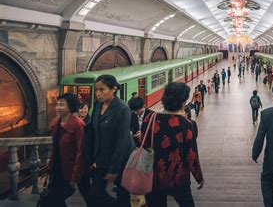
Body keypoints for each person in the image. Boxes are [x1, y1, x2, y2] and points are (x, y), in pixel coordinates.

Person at [142, 82, 204, 206]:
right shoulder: (186, 124)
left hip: (154, 176)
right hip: (178, 177)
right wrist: (199, 177)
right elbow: (191, 155)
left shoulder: (150, 119)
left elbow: (144, 144)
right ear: (183, 101)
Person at [87, 74, 135, 207]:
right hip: (100, 159)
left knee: (123, 196)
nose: (98, 93)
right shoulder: (97, 105)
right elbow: (93, 131)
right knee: (95, 194)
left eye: (102, 89)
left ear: (113, 89)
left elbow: (122, 141)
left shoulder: (122, 109)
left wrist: (114, 169)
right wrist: (91, 159)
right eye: (96, 90)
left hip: (121, 160)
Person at [45, 93, 85, 207]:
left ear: (71, 106)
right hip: (56, 168)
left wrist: (75, 175)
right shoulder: (56, 123)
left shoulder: (78, 125)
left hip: (68, 169)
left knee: (55, 199)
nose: (57, 107)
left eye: (61, 105)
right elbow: (55, 147)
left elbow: (80, 151)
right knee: (55, 200)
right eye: (57, 104)